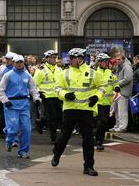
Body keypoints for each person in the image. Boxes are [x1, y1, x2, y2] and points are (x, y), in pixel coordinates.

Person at [51, 48, 105, 176]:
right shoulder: (65, 73)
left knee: (88, 139)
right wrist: (65, 95)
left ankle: (88, 166)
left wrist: (96, 97)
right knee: (64, 136)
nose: (69, 61)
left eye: (72, 58)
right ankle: (57, 154)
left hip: (86, 110)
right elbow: (57, 89)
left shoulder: (93, 73)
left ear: (80, 59)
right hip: (70, 110)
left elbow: (102, 88)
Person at [0, 55, 41, 158]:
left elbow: (33, 89)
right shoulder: (8, 75)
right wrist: (5, 100)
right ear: (14, 63)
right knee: (14, 128)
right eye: (17, 62)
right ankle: (9, 141)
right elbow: (0, 90)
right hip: (11, 104)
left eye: (21, 62)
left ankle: (23, 151)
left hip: (24, 104)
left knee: (26, 129)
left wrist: (36, 99)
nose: (19, 64)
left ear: (23, 63)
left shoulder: (27, 75)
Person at [33, 50, 63, 143]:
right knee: (52, 117)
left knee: (58, 116)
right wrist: (39, 93)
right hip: (47, 96)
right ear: (47, 59)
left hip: (58, 96)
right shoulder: (41, 70)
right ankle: (53, 137)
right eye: (52, 58)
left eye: (55, 58)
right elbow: (34, 84)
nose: (54, 59)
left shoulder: (59, 69)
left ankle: (41, 123)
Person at [94, 53, 120, 151]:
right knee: (102, 121)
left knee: (104, 123)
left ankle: (99, 139)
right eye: (104, 61)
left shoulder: (110, 72)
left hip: (108, 102)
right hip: (98, 102)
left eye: (106, 61)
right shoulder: (95, 73)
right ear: (99, 62)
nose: (106, 63)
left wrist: (116, 87)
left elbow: (115, 82)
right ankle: (98, 141)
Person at [0, 52, 16, 139]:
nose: (7, 60)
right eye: (6, 59)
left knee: (13, 113)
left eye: (9, 59)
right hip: (3, 93)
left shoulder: (17, 67)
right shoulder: (2, 68)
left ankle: (11, 130)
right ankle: (2, 130)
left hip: (13, 93)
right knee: (3, 113)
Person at [110, 53, 133, 133]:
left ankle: (122, 127)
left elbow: (128, 79)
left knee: (122, 111)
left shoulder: (127, 67)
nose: (117, 61)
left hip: (123, 92)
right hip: (119, 92)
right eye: (116, 59)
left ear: (123, 59)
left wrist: (117, 84)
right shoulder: (119, 67)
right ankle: (117, 125)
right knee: (117, 111)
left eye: (119, 59)